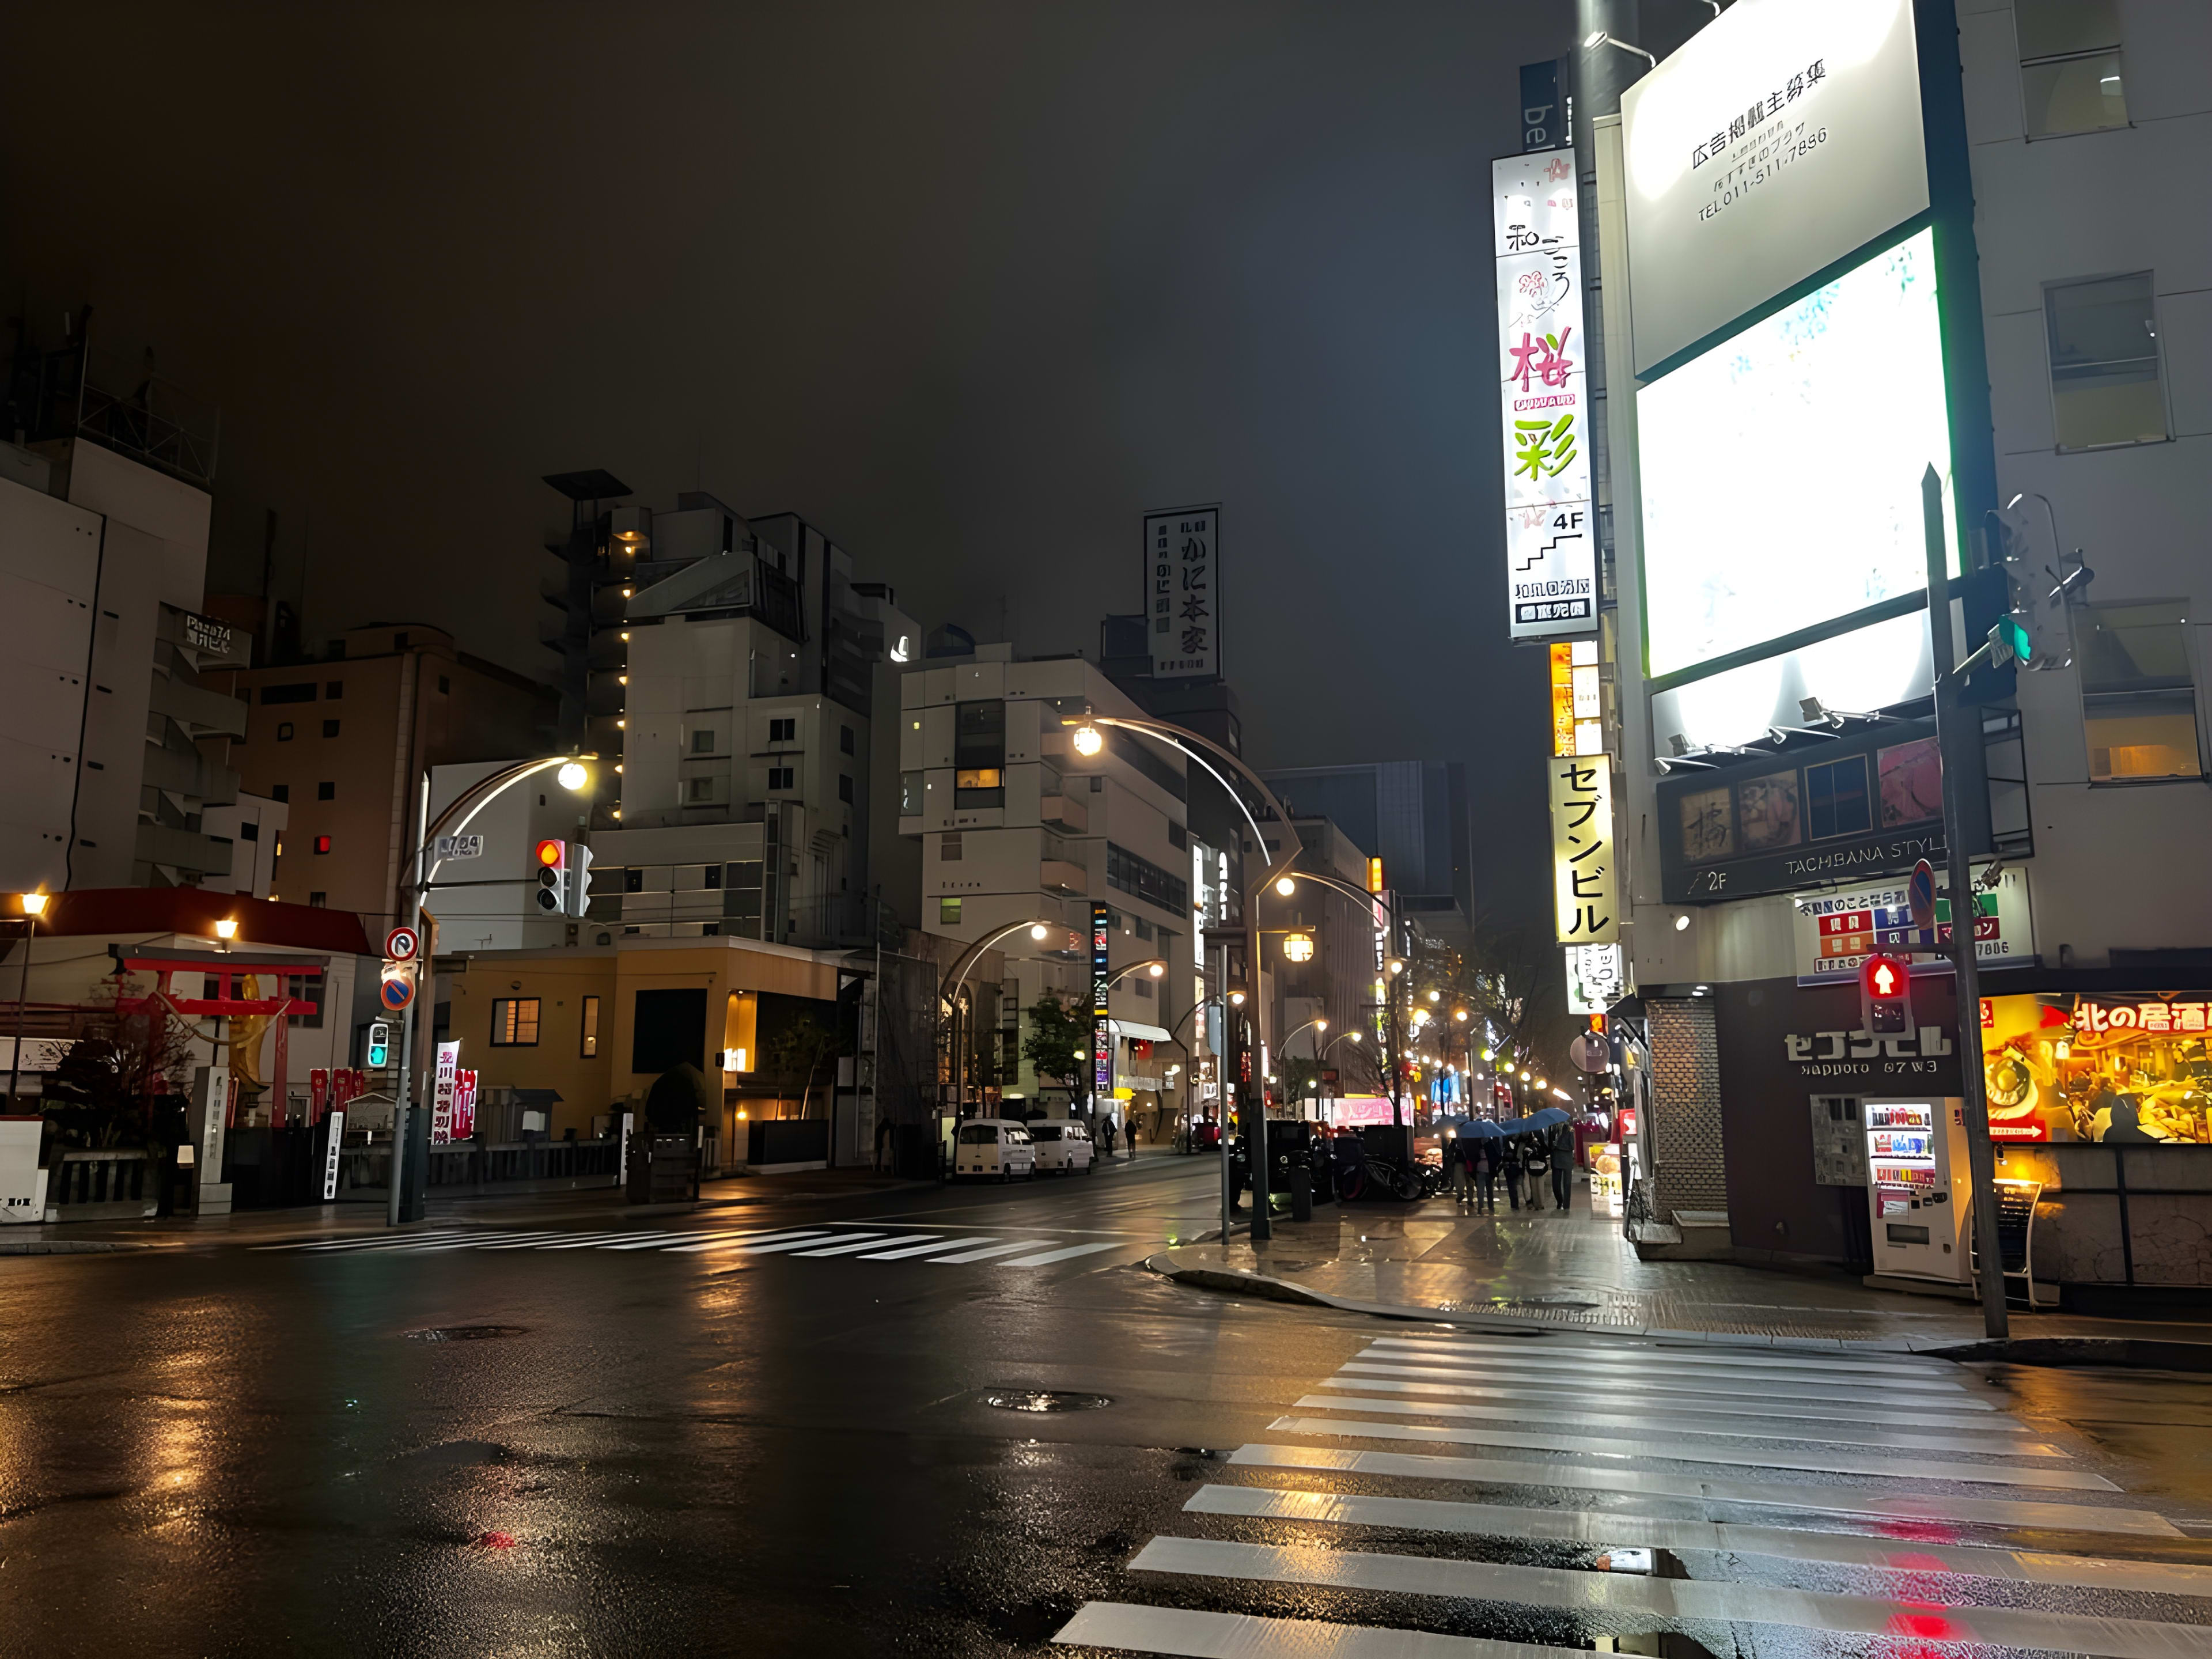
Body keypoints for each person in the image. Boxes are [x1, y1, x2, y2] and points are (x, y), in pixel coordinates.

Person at [1550, 1120, 1575, 1211]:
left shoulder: (1570, 1131)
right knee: (1555, 1185)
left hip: (1567, 1160)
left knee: (1567, 1184)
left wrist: (1558, 1146)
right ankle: (1560, 1201)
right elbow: (1549, 1144)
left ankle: (1566, 1205)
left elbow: (1572, 1146)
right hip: (1556, 1160)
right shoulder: (1553, 1130)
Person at [1522, 1131, 1547, 1211]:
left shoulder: (1530, 1145)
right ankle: (1540, 1204)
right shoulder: (1538, 1144)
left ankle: (1538, 1204)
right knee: (1539, 1187)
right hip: (1538, 1168)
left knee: (1535, 1187)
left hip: (1533, 1168)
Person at [1499, 1135, 1523, 1212]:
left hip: (1514, 1167)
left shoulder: (1518, 1142)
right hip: (1510, 1167)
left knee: (1513, 1186)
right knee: (1512, 1187)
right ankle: (1514, 1204)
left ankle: (1514, 1204)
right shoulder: (1507, 1142)